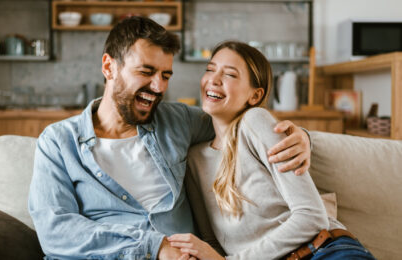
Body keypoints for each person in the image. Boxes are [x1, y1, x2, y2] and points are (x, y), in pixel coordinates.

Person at [28, 17, 311, 260]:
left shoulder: (178, 121)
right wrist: (154, 247)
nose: (158, 87)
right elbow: (56, 230)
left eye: (166, 75)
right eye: (146, 72)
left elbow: (237, 120)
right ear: (109, 67)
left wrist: (301, 137)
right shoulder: (58, 142)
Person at [168, 41, 376, 260]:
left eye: (229, 74)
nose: (214, 79)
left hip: (323, 252)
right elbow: (213, 244)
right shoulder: (194, 159)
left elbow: (312, 217)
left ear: (255, 96)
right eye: (210, 69)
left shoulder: (254, 122)